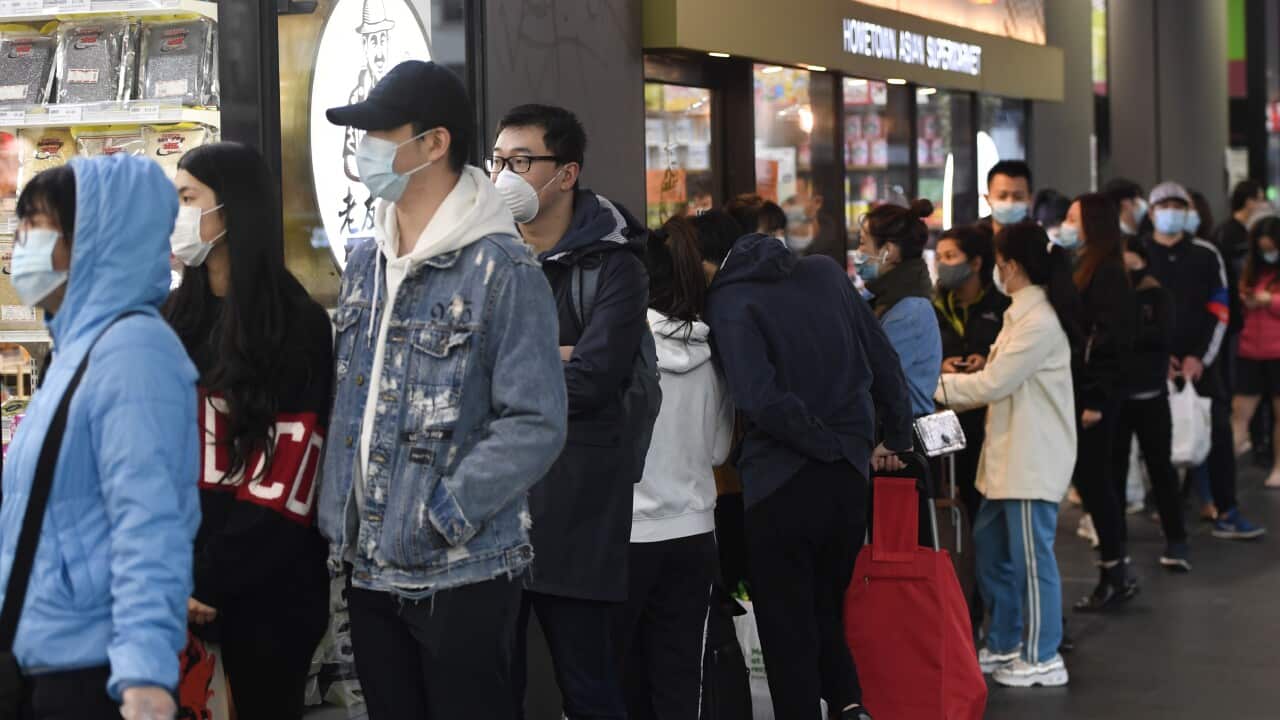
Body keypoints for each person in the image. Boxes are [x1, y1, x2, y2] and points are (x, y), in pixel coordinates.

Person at [318, 61, 569, 719]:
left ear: (434, 143)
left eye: (378, 131)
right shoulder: (366, 258)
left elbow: (536, 420)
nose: (364, 148)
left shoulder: (503, 267)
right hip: (368, 565)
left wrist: (442, 515)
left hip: (464, 572)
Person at [1, 156, 199, 718]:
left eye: (34, 227)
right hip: (46, 652)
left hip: (97, 671)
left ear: (92, 238)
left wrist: (144, 676)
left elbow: (151, 523)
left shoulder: (133, 353)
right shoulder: (77, 351)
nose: (20, 246)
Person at [700, 208, 914, 720]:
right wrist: (892, 435)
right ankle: (848, 705)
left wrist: (819, 443)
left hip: (781, 483)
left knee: (785, 626)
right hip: (847, 479)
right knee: (826, 610)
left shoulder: (729, 300)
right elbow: (882, 357)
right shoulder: (823, 273)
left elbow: (759, 398)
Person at [490, 103, 651, 720]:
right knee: (490, 684)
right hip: (493, 499)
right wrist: (551, 354)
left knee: (588, 683)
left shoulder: (614, 263)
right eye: (498, 159)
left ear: (567, 173)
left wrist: (507, 360)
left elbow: (596, 378)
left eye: (522, 161)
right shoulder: (484, 253)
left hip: (577, 503)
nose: (504, 174)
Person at [162, 142, 331, 719]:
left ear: (231, 209)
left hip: (268, 594)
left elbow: (287, 474)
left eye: (187, 198)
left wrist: (210, 578)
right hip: (174, 585)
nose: (175, 214)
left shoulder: (295, 324)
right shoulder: (172, 317)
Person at [935, 221, 1080, 689]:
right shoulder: (1022, 313)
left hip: (1029, 462)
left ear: (1011, 266)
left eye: (999, 265)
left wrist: (931, 385)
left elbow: (993, 384)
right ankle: (1003, 642)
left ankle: (1042, 655)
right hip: (1005, 462)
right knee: (993, 554)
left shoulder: (1038, 321)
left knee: (1032, 562)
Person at [617, 216, 734, 720]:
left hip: (627, 536)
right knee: (680, 677)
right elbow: (718, 451)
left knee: (619, 678)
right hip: (693, 534)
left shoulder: (618, 352)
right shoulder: (711, 354)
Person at [1141, 181, 1266, 540]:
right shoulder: (1139, 252)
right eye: (1163, 205)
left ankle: (1227, 509)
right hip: (1153, 367)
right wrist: (1158, 358)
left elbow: (1221, 309)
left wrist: (1199, 357)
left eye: (1178, 205)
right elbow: (1131, 312)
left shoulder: (1207, 254)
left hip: (1204, 365)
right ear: (1151, 213)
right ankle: (1165, 515)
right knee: (1152, 442)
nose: (1171, 211)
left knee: (1220, 435)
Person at [1059, 194, 1138, 612]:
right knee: (1094, 481)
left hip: (1094, 397)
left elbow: (1109, 341)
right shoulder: (1087, 265)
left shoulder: (1105, 272)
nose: (1066, 224)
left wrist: (1096, 397)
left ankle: (1115, 569)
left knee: (1095, 480)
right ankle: (1115, 566)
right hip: (1086, 391)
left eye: (1073, 218)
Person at [1113, 242, 1191, 570]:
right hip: (1117, 397)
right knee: (1113, 471)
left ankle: (1177, 538)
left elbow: (1159, 336)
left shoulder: (1157, 295)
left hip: (1151, 395)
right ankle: (1113, 540)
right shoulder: (1109, 292)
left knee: (1160, 469)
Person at [933, 224, 1010, 527]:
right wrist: (941, 364)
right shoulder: (934, 307)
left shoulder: (1004, 308)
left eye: (951, 256)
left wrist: (988, 361)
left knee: (980, 496)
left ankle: (980, 565)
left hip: (986, 417)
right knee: (942, 491)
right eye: (939, 256)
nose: (942, 264)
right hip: (943, 414)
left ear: (976, 262)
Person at [855, 199, 943, 416]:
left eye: (863, 243)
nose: (859, 251)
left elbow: (871, 377)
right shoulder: (885, 297)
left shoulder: (910, 312)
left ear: (888, 251)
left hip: (898, 437)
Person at [1232, 215, 1280, 489]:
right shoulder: (1249, 270)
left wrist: (1268, 301)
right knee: (1240, 415)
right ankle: (1223, 470)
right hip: (1250, 350)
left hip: (1278, 353)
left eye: (1272, 246)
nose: (1268, 253)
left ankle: (1278, 466)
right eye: (1263, 248)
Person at [983, 160, 1033, 236]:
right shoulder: (971, 240)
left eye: (1018, 197)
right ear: (987, 199)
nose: (1010, 203)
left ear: (1030, 199)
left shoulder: (1039, 239)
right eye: (1002, 196)